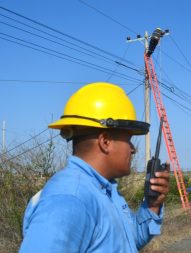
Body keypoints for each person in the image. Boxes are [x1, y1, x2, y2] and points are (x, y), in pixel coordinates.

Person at [20, 82, 170, 252]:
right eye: (128, 140)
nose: (133, 149)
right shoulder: (69, 199)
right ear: (105, 142)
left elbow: (125, 243)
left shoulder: (102, 190)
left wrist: (152, 206)